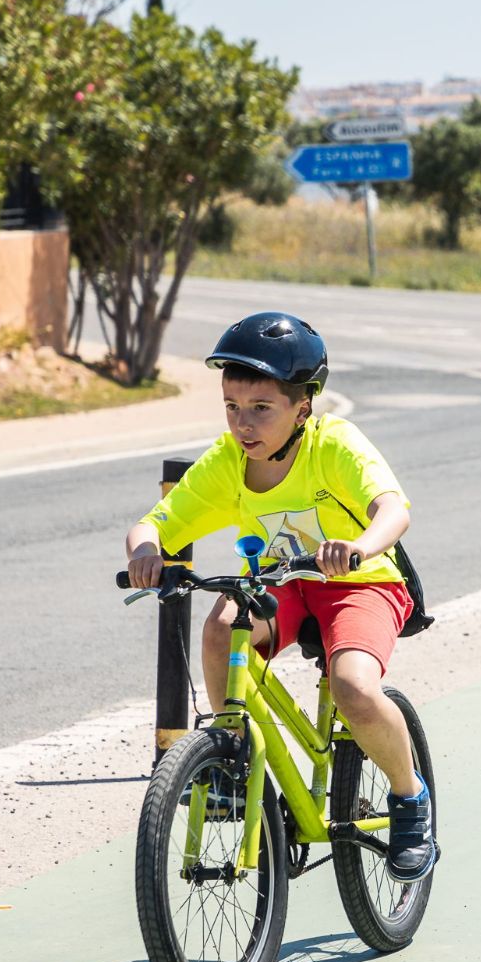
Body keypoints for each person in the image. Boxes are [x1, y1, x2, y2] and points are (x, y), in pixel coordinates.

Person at [123, 311, 436, 882]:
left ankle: (409, 797)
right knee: (220, 626)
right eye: (232, 407)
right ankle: (233, 757)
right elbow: (155, 524)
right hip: (282, 586)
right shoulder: (228, 463)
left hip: (360, 582)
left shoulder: (333, 445)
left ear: (304, 406)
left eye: (261, 408)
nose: (244, 424)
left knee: (353, 687)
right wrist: (145, 553)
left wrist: (359, 546)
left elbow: (394, 510)